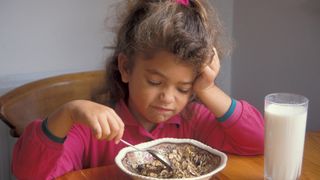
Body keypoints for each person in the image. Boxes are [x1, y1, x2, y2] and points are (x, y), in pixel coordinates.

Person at [12, 0, 264, 179]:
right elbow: (29, 173)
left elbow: (260, 141)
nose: (167, 98)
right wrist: (67, 113)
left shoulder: (193, 121)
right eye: (155, 82)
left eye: (184, 87)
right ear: (125, 67)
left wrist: (208, 89)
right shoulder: (90, 130)